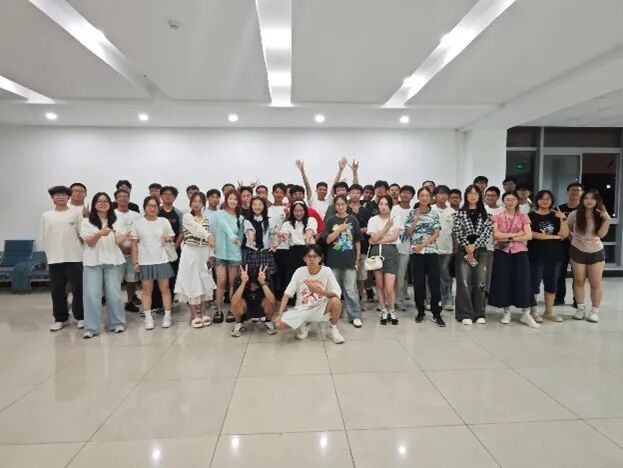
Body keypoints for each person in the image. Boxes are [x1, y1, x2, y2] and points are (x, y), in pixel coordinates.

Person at [273, 244, 345, 344]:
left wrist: (319, 291)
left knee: (336, 301)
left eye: (315, 256)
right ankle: (305, 324)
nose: (311, 259)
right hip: (302, 309)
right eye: (308, 256)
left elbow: (337, 293)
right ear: (304, 259)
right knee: (278, 324)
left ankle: (333, 329)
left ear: (320, 258)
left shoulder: (327, 271)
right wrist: (280, 313)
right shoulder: (299, 271)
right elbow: (287, 293)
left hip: (321, 308)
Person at [80, 192, 127, 338]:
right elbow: (89, 243)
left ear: (110, 204)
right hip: (93, 262)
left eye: (105, 201)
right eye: (99, 201)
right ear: (94, 204)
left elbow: (119, 242)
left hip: (113, 261)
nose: (102, 203)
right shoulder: (87, 221)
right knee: (92, 295)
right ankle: (91, 328)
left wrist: (123, 238)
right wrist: (99, 234)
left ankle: (117, 323)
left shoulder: (116, 220)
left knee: (114, 294)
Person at [489, 191, 537, 328]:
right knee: (504, 281)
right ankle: (506, 312)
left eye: (513, 199)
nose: (510, 202)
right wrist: (516, 235)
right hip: (502, 252)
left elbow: (528, 236)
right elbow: (496, 235)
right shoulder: (497, 216)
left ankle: (526, 314)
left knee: (524, 281)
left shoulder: (523, 216)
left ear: (517, 201)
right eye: (507, 199)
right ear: (503, 201)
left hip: (520, 253)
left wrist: (507, 237)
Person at [40, 186, 84, 331]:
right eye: (57, 195)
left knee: (78, 289)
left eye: (64, 194)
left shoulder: (76, 213)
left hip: (75, 257)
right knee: (57, 290)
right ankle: (60, 318)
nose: (60, 197)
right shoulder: (46, 215)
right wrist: (48, 254)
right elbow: (43, 237)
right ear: (52, 198)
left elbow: (82, 234)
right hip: (55, 258)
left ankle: (81, 317)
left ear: (68, 197)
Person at [131, 196, 176, 330]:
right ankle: (148, 317)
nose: (152, 208)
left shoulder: (163, 221)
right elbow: (134, 244)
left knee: (165, 289)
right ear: (145, 207)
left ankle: (167, 315)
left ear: (158, 207)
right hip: (145, 261)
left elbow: (171, 236)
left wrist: (169, 239)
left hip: (162, 259)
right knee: (146, 290)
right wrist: (135, 262)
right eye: (149, 206)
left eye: (155, 206)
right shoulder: (138, 223)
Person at [567, 189, 610, 323]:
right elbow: (568, 229)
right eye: (586, 198)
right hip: (577, 250)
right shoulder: (575, 214)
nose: (589, 201)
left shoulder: (601, 215)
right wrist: (575, 240)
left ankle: (594, 311)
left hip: (596, 251)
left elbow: (601, 235)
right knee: (579, 280)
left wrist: (607, 220)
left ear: (597, 200)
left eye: (592, 198)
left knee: (595, 282)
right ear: (582, 200)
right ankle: (580, 308)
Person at [175, 192, 217, 328]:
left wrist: (211, 255)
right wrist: (208, 236)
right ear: (190, 202)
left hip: (204, 253)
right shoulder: (187, 217)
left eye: (199, 201)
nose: (197, 204)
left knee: (204, 282)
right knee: (192, 282)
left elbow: (211, 242)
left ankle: (203, 313)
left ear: (203, 203)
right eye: (194, 201)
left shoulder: (207, 220)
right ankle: (194, 315)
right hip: (190, 252)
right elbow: (196, 229)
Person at [452, 185, 493, 325]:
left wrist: (474, 246)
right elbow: (457, 232)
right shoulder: (459, 214)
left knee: (480, 283)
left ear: (480, 196)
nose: (473, 195)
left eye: (476, 193)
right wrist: (468, 247)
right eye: (470, 193)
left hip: (481, 251)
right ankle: (465, 314)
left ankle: (479, 313)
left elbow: (487, 233)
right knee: (464, 282)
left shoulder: (486, 214)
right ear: (466, 196)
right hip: (463, 251)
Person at [405, 187, 445, 327]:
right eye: (422, 195)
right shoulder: (412, 213)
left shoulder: (434, 214)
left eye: (427, 195)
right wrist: (415, 221)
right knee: (418, 283)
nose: (424, 198)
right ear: (418, 197)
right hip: (416, 253)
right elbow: (408, 234)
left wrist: (423, 244)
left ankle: (436, 313)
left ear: (430, 198)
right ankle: (420, 312)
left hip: (431, 251)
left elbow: (436, 233)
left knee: (435, 283)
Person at [528, 190, 569, 323]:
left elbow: (563, 235)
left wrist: (563, 219)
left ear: (552, 201)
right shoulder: (530, 216)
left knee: (552, 284)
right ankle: (533, 312)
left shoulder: (556, 215)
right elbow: (530, 234)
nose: (545, 201)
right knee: (534, 284)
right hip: (535, 255)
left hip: (555, 255)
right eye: (542, 198)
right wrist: (551, 237)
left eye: (548, 199)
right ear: (537, 200)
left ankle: (549, 312)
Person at [324, 195, 362, 327]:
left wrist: (358, 258)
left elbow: (357, 241)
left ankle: (355, 315)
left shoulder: (353, 220)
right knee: (334, 289)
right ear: (334, 206)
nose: (340, 207)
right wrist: (339, 229)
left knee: (351, 290)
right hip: (334, 260)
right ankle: (335, 312)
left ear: (347, 205)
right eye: (338, 204)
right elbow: (327, 240)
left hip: (349, 260)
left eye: (343, 204)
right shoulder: (330, 220)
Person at [367, 195, 400, 325]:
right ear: (378, 205)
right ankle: (383, 311)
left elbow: (394, 237)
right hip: (377, 253)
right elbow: (373, 238)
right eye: (381, 204)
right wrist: (386, 228)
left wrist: (377, 240)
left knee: (389, 287)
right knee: (379, 285)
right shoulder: (373, 220)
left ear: (390, 206)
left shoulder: (395, 218)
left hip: (391, 252)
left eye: (386, 204)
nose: (383, 207)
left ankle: (392, 310)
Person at [212, 191, 245, 323]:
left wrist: (238, 245)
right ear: (226, 200)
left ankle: (232, 309)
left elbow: (241, 237)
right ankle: (219, 310)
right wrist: (211, 252)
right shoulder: (218, 215)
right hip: (220, 253)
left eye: (235, 199)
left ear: (238, 202)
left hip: (234, 255)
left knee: (232, 283)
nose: (233, 201)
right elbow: (216, 231)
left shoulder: (240, 218)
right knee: (220, 282)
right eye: (230, 198)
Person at [555, 182, 583, 306]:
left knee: (578, 275)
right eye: (572, 190)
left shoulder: (584, 210)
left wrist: (564, 220)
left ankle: (577, 300)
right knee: (559, 273)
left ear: (582, 193)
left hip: (579, 246)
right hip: (561, 246)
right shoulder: (559, 208)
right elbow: (555, 227)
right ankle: (559, 298)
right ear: (567, 192)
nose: (575, 192)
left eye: (578, 190)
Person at [114, 188, 142, 312]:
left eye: (125, 196)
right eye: (120, 196)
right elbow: (110, 234)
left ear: (129, 198)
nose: (123, 198)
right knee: (115, 281)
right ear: (116, 199)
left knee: (131, 280)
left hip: (132, 253)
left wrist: (131, 248)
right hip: (116, 253)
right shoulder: (111, 214)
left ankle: (129, 302)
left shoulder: (136, 215)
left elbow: (140, 233)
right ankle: (115, 304)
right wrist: (121, 247)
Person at [230, 265, 278, 337]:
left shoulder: (266, 279)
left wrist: (263, 283)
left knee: (269, 300)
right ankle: (239, 322)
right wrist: (243, 283)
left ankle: (268, 321)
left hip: (261, 307)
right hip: (246, 308)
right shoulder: (239, 279)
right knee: (237, 301)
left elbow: (272, 300)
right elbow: (233, 301)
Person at [278, 200, 318, 286]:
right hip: (293, 253)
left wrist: (308, 236)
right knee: (292, 277)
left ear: (305, 210)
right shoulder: (287, 223)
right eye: (296, 211)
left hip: (309, 251)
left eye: (301, 210)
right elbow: (285, 233)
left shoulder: (311, 220)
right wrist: (281, 238)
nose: (299, 213)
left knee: (310, 277)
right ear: (292, 211)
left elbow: (310, 229)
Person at [347, 184, 372, 309]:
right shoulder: (345, 209)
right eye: (353, 192)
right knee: (349, 276)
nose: (355, 195)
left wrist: (357, 227)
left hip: (362, 247)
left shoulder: (365, 210)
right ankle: (349, 301)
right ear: (349, 194)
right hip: (347, 247)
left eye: (358, 193)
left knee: (361, 277)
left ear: (361, 194)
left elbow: (369, 228)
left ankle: (360, 300)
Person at [391, 185, 415, 311]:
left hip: (405, 247)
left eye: (408, 193)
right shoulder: (393, 208)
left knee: (400, 275)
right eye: (404, 192)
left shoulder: (414, 211)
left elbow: (412, 231)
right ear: (400, 194)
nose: (406, 195)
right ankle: (388, 299)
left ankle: (399, 299)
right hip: (391, 246)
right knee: (389, 274)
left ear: (412, 196)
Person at [432, 185, 455, 311]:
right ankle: (431, 300)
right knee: (431, 275)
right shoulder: (430, 210)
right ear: (435, 195)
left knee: (445, 274)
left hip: (447, 249)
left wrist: (456, 248)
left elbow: (455, 232)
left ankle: (447, 300)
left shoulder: (452, 212)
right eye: (440, 193)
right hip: (432, 248)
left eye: (446, 194)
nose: (443, 196)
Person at [242, 196, 278, 276]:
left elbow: (272, 230)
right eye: (254, 204)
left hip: (265, 253)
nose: (257, 207)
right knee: (252, 277)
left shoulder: (269, 220)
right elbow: (250, 230)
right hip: (252, 252)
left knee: (267, 278)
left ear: (264, 206)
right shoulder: (247, 220)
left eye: (260, 204)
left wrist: (278, 233)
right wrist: (251, 239)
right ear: (251, 206)